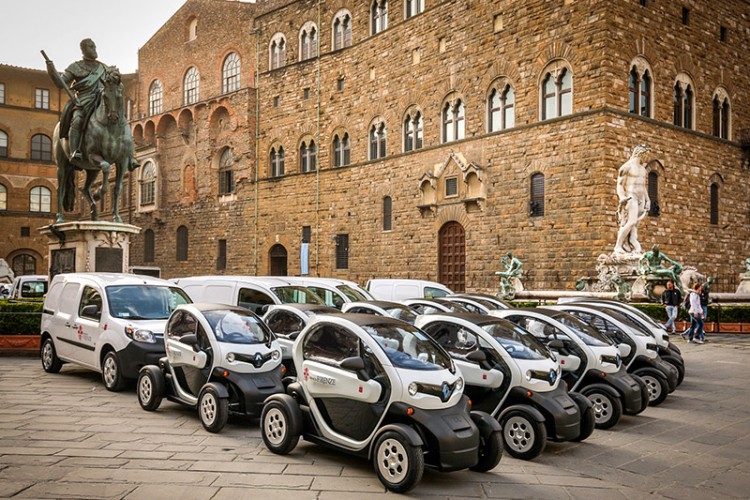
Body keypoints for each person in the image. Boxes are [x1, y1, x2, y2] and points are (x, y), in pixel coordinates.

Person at [47, 39, 109, 162]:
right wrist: (51, 70)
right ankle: (75, 151)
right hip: (84, 100)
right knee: (77, 120)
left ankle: (128, 153)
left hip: (102, 100)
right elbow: (60, 84)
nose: (94, 50)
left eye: (95, 47)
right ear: (84, 50)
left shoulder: (104, 67)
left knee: (118, 118)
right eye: (91, 47)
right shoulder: (75, 67)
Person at [614, 144, 651, 254]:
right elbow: (619, 185)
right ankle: (618, 246)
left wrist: (648, 200)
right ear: (641, 153)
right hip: (631, 198)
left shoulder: (643, 170)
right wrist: (622, 197)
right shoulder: (626, 167)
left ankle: (632, 244)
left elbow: (643, 186)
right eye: (647, 155)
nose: (647, 158)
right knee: (631, 222)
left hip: (641, 199)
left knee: (635, 226)